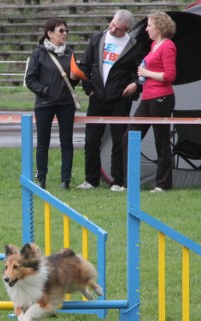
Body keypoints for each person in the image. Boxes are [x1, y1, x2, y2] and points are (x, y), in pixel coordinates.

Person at [77, 9, 146, 192]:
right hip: (97, 98)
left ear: (127, 29)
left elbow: (140, 71)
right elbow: (84, 66)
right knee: (91, 140)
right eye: (113, 24)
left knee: (118, 141)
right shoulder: (97, 38)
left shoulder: (134, 45)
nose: (113, 29)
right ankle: (91, 179)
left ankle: (118, 181)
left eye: (119, 28)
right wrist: (88, 89)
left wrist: (136, 85)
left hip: (120, 100)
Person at [121, 11, 177, 193]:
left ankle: (163, 184)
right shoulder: (154, 45)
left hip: (161, 98)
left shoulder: (168, 46)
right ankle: (129, 183)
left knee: (161, 141)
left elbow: (170, 75)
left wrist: (147, 74)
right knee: (129, 137)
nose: (146, 29)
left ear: (159, 27)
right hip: (147, 97)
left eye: (149, 25)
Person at [25, 17, 80, 191]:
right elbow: (30, 79)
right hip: (44, 103)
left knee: (67, 142)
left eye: (66, 31)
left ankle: (66, 180)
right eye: (61, 31)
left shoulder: (70, 53)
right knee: (43, 143)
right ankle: (40, 178)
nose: (64, 34)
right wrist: (45, 91)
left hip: (66, 103)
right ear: (49, 34)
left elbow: (74, 82)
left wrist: (75, 78)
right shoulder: (38, 53)